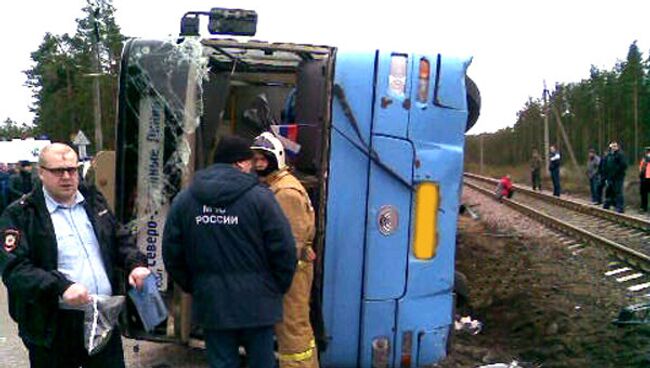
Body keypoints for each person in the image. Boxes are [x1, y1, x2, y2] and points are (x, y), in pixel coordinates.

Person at [0, 143, 150, 367]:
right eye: (58, 171)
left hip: (102, 317)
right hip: (53, 326)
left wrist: (135, 263)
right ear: (41, 172)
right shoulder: (21, 213)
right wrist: (61, 287)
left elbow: (119, 238)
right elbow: (15, 270)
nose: (67, 177)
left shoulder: (92, 200)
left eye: (72, 169)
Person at [162, 135, 297, 368]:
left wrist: (196, 285)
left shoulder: (186, 200)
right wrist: (276, 288)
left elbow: (172, 253)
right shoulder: (262, 199)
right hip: (259, 305)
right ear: (240, 164)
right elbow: (285, 250)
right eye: (250, 162)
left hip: (213, 303)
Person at [251, 132, 319, 368]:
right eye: (256, 159)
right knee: (296, 327)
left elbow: (290, 242)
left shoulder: (286, 192)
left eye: (263, 159)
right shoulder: (276, 186)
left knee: (292, 331)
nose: (259, 164)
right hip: (290, 271)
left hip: (291, 273)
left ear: (276, 158)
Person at [602, 141, 627, 213]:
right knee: (609, 190)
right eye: (612, 146)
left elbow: (623, 165)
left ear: (617, 147)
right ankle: (609, 204)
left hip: (618, 177)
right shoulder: (608, 155)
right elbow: (605, 165)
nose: (614, 147)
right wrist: (605, 176)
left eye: (615, 146)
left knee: (618, 191)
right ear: (610, 147)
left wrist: (617, 171)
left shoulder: (620, 154)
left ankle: (620, 207)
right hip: (610, 177)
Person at [639, 146, 650, 212]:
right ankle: (644, 207)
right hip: (645, 177)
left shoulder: (644, 159)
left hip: (645, 178)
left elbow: (641, 168)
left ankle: (644, 207)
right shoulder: (644, 159)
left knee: (644, 193)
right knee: (644, 193)